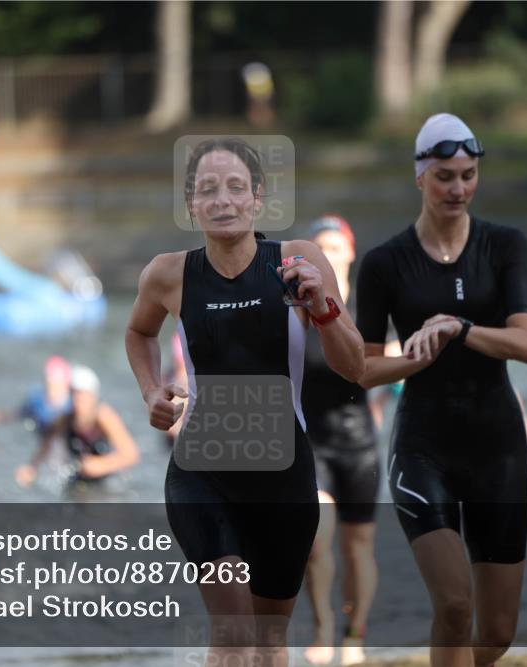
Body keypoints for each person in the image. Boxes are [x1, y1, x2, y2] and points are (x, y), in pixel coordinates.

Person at [125, 137, 364, 666]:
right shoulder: (169, 273)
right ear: (191, 204)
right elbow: (138, 333)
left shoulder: (298, 259)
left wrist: (322, 307)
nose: (222, 200)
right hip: (202, 473)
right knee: (232, 632)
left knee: (268, 642)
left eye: (236, 187)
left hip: (284, 475)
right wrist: (150, 391)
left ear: (257, 199)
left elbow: (355, 367)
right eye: (207, 190)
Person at [356, 114, 527, 667]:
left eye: (467, 175)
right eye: (444, 176)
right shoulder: (384, 264)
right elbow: (364, 370)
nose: (458, 188)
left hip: (499, 447)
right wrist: (415, 356)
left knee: (498, 632)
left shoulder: (505, 246)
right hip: (423, 448)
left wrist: (461, 329)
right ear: (419, 177)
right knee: (455, 606)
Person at [299, 215, 380, 666]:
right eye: (318, 246)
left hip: (359, 443)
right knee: (315, 537)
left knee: (357, 546)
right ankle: (324, 627)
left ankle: (355, 634)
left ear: (349, 252)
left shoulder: (368, 309)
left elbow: (388, 368)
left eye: (334, 246)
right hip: (312, 442)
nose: (327, 253)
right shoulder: (298, 309)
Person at [15, 364, 139, 491]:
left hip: (109, 480)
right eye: (74, 394)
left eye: (82, 395)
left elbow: (131, 454)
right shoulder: (65, 418)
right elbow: (46, 446)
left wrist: (101, 465)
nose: (78, 400)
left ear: (93, 396)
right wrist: (31, 468)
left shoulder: (103, 416)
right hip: (80, 478)